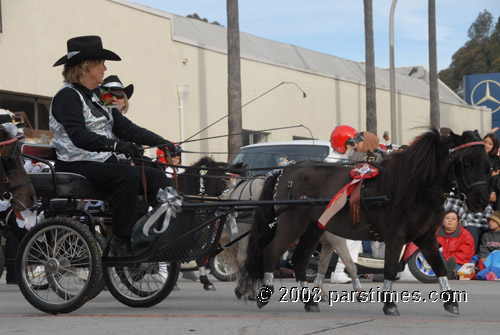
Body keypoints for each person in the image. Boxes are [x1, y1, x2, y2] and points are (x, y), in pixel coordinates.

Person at [50, 35, 176, 256]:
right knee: (126, 175)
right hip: (76, 163)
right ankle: (120, 240)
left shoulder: (101, 95)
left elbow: (126, 127)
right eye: (101, 63)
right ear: (87, 66)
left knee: (157, 176)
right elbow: (79, 136)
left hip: (103, 163)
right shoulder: (67, 97)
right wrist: (117, 147)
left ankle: (155, 235)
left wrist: (161, 141)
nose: (105, 68)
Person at [324, 125, 362, 283]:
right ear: (343, 144)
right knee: (352, 236)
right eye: (352, 143)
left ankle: (341, 270)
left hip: (343, 204)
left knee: (355, 237)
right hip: (332, 207)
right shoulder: (331, 161)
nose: (355, 146)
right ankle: (339, 271)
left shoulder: (345, 160)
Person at [436, 210, 475, 279]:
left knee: (455, 268)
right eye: (447, 218)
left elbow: (465, 254)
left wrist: (447, 259)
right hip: (438, 261)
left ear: (458, 222)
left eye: (453, 219)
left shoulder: (465, 235)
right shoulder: (435, 233)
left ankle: (450, 274)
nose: (450, 220)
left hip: (456, 262)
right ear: (442, 220)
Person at [484, 133, 500, 210]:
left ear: (494, 146)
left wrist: (492, 192)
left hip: (489, 193)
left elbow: (494, 178)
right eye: (485, 142)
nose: (486, 145)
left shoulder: (495, 159)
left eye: (490, 144)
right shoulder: (475, 156)